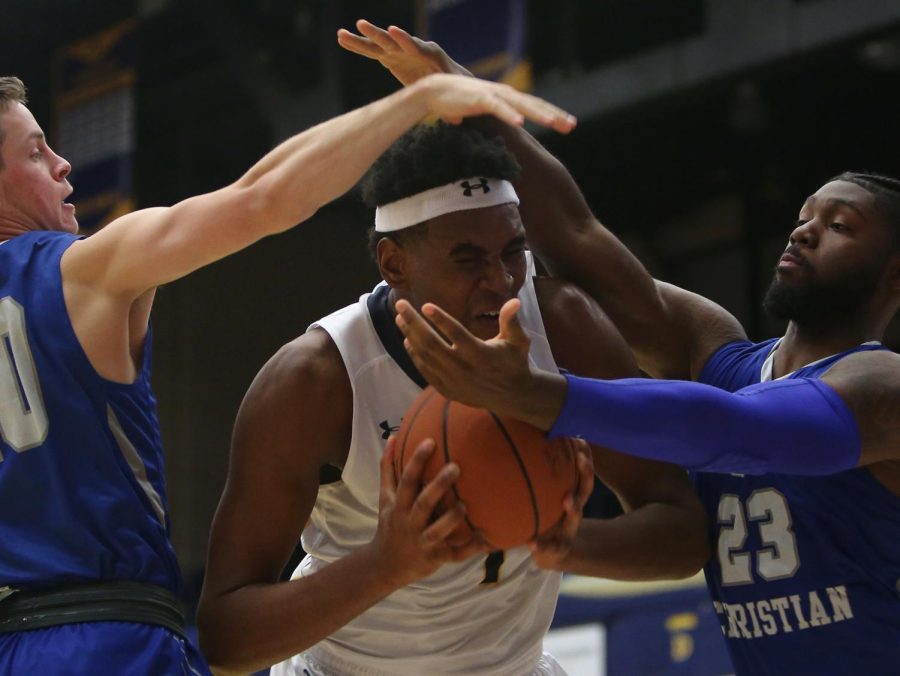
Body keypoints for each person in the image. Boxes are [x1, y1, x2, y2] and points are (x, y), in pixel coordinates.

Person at [0, 72, 578, 675]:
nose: (63, 164)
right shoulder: (84, 274)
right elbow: (264, 196)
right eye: (35, 152)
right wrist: (416, 102)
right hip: (102, 640)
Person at [375, 26, 900, 676]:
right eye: (806, 214)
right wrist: (466, 102)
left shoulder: (884, 389)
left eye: (841, 225)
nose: (806, 230)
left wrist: (538, 394)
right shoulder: (718, 351)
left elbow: (735, 428)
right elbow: (574, 234)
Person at [196, 113, 709, 675]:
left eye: (513, 251)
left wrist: (567, 543)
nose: (502, 281)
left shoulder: (562, 329)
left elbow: (685, 532)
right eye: (468, 259)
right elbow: (226, 639)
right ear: (395, 264)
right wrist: (387, 563)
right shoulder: (315, 382)